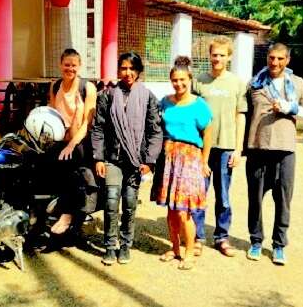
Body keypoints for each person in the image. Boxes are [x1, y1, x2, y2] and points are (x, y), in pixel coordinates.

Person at [243, 42, 303, 265]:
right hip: (258, 149)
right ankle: (256, 241)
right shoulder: (255, 84)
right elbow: (244, 116)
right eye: (271, 58)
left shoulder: (297, 83)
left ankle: (279, 245)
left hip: (285, 150)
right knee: (255, 200)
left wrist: (289, 107)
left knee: (283, 200)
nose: (274, 62)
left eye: (280, 59)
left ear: (288, 60)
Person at [91, 52, 163, 265]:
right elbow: (98, 128)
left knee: (130, 203)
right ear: (118, 70)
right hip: (112, 158)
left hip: (136, 161)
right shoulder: (108, 95)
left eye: (132, 68)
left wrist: (149, 161)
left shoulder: (148, 97)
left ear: (139, 71)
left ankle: (125, 245)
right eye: (124, 68)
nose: (128, 72)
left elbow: (155, 130)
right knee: (112, 201)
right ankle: (110, 246)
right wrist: (98, 158)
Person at [153, 57, 212, 270]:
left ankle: (189, 252)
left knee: (183, 210)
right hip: (168, 157)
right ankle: (174, 248)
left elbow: (208, 133)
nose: (179, 84)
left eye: (182, 80)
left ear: (190, 79)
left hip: (190, 158)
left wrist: (205, 161)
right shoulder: (165, 102)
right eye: (175, 80)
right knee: (170, 209)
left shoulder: (199, 104)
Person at [191, 35, 247, 257]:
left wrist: (238, 149)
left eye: (222, 55)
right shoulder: (199, 81)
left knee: (223, 195)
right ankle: (197, 237)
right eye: (214, 54)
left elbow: (240, 116)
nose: (217, 58)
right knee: (199, 193)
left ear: (229, 57)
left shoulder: (236, 83)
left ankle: (222, 237)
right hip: (201, 148)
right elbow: (191, 112)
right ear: (209, 55)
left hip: (226, 147)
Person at [48, 48, 97, 235]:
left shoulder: (88, 88)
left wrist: (71, 144)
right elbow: (51, 115)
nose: (70, 68)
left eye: (74, 65)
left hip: (80, 142)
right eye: (66, 65)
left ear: (80, 66)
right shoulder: (55, 86)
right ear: (60, 65)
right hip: (60, 139)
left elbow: (87, 122)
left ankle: (67, 213)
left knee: (72, 165)